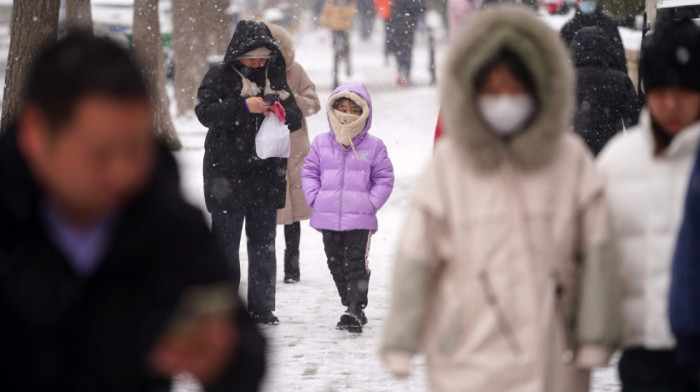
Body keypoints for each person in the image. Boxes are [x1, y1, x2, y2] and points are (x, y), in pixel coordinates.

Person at [0, 34, 265, 391]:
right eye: (100, 153)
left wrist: (224, 357)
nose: (122, 173)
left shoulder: (166, 220)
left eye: (136, 148)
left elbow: (242, 347)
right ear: (35, 133)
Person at [380, 6, 621, 391]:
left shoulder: (569, 160)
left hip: (554, 356)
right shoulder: (450, 166)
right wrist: (401, 338)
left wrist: (595, 332)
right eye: (493, 89)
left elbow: (598, 251)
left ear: (539, 88)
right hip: (465, 358)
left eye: (515, 88)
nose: (504, 99)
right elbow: (417, 256)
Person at [597, 17, 700, 391]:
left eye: (685, 90)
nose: (671, 104)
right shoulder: (618, 162)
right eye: (659, 91)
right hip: (643, 358)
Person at [195, 20, 303, 325]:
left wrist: (280, 110)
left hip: (265, 174)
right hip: (225, 172)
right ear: (237, 54)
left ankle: (262, 307)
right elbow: (205, 113)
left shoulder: (275, 77)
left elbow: (295, 118)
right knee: (225, 246)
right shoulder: (218, 75)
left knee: (263, 245)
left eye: (262, 58)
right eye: (251, 58)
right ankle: (224, 310)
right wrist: (245, 107)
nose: (257, 63)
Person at [301, 83, 394, 334]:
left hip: (360, 219)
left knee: (355, 263)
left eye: (354, 109)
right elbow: (309, 172)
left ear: (364, 113)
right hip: (328, 216)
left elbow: (384, 178)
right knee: (335, 263)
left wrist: (370, 203)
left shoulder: (374, 146)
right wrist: (315, 198)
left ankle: (354, 308)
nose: (347, 114)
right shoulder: (321, 143)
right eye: (342, 108)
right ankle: (350, 304)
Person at [265, 22, 322, 284]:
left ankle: (292, 266)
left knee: (293, 212)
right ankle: (266, 264)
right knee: (266, 210)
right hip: (264, 146)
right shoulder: (250, 72)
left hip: (294, 145)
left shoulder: (295, 71)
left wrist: (291, 97)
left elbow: (314, 104)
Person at [570, 26, 640, 156]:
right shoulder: (620, 81)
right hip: (611, 155)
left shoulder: (565, 81)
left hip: (573, 158)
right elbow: (635, 126)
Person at [560, 0, 627, 73]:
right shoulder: (568, 29)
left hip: (606, 81)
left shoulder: (609, 26)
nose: (588, 2)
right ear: (577, 2)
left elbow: (620, 59)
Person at [387, 0, 427, 86]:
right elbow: (419, 8)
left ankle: (401, 72)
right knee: (406, 50)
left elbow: (393, 10)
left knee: (400, 49)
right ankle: (405, 73)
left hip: (399, 26)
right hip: (407, 26)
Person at [320, 0, 358, 88]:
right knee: (336, 54)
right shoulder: (331, 3)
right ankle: (335, 78)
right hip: (335, 31)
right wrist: (324, 25)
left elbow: (353, 13)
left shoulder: (349, 3)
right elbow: (324, 16)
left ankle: (347, 64)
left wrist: (343, 11)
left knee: (346, 50)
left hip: (345, 30)